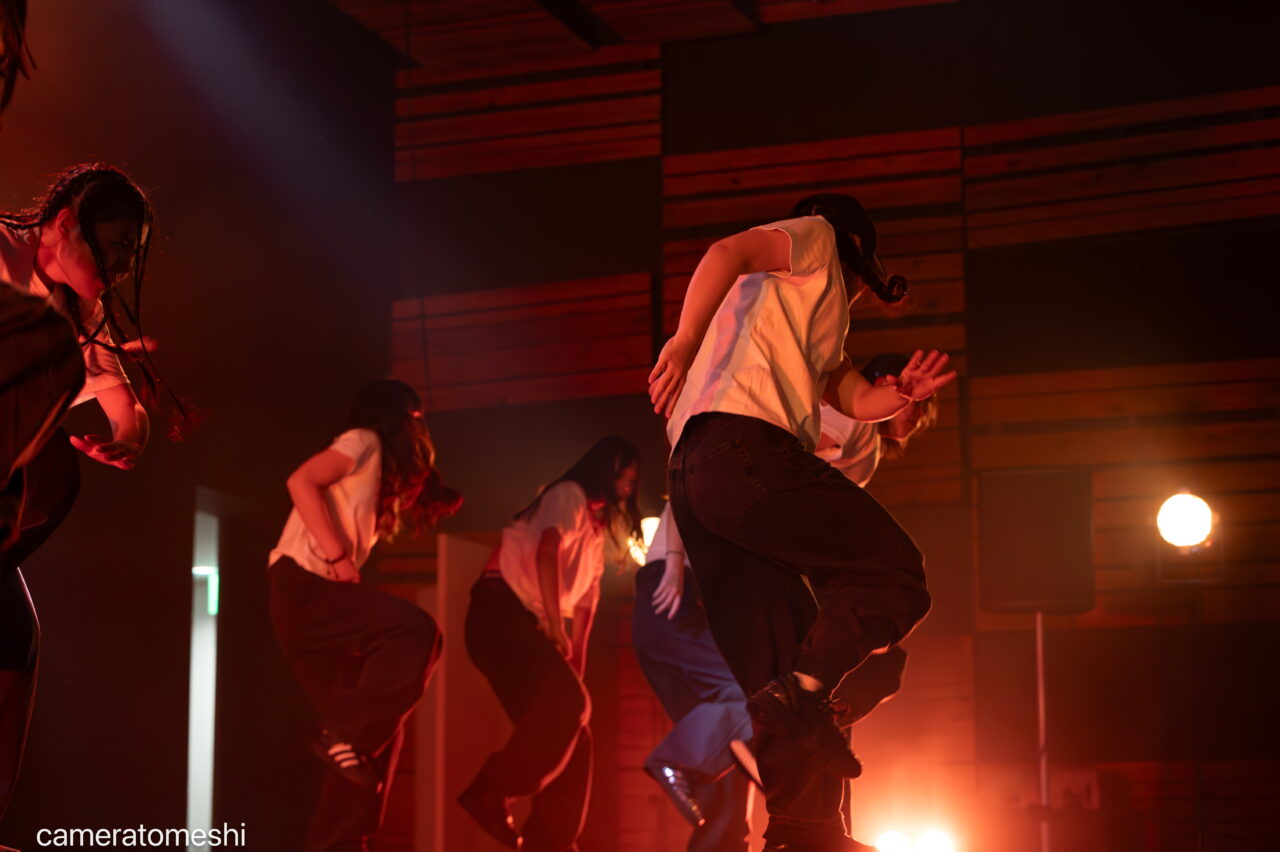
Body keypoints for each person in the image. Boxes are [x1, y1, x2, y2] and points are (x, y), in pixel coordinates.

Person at [650, 192, 956, 852]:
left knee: (776, 670)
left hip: (694, 480)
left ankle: (801, 835)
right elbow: (726, 251)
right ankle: (807, 689)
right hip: (743, 451)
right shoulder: (815, 239)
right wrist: (683, 340)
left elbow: (851, 393)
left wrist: (897, 397)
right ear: (855, 256)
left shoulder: (792, 316)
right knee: (894, 572)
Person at [634, 352, 939, 852]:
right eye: (917, 410)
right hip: (733, 519)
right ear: (884, 381)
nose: (915, 420)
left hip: (731, 515)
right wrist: (670, 559)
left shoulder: (860, 439)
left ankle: (804, 824)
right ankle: (774, 729)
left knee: (784, 673)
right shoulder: (851, 426)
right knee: (882, 605)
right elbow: (794, 464)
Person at [0, 164, 160, 819]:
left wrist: (129, 440)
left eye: (133, 254)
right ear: (64, 224)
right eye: (117, 244)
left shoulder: (79, 312)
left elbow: (127, 409)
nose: (124, 266)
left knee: (16, 642)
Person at [268, 379, 460, 852]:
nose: (421, 425)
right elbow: (300, 481)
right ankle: (345, 734)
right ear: (398, 415)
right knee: (416, 632)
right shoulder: (363, 440)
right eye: (416, 416)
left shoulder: (378, 467)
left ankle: (341, 842)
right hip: (304, 587)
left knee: (369, 744)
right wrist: (338, 557)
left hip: (308, 601)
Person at [459, 437, 640, 852]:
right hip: (499, 614)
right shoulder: (567, 495)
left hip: (522, 625)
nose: (626, 487)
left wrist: (577, 658)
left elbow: (589, 601)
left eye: (632, 481)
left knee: (576, 732)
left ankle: (550, 842)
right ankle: (490, 790)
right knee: (569, 708)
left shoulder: (595, 529)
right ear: (602, 468)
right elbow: (547, 551)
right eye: (622, 476)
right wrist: (557, 627)